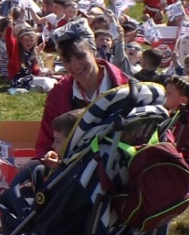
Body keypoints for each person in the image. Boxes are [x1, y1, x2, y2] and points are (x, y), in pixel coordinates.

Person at [35, 20, 127, 157]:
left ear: (93, 50)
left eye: (80, 56)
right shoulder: (58, 95)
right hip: (72, 167)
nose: (75, 65)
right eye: (67, 60)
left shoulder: (125, 88)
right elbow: (46, 143)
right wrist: (49, 157)